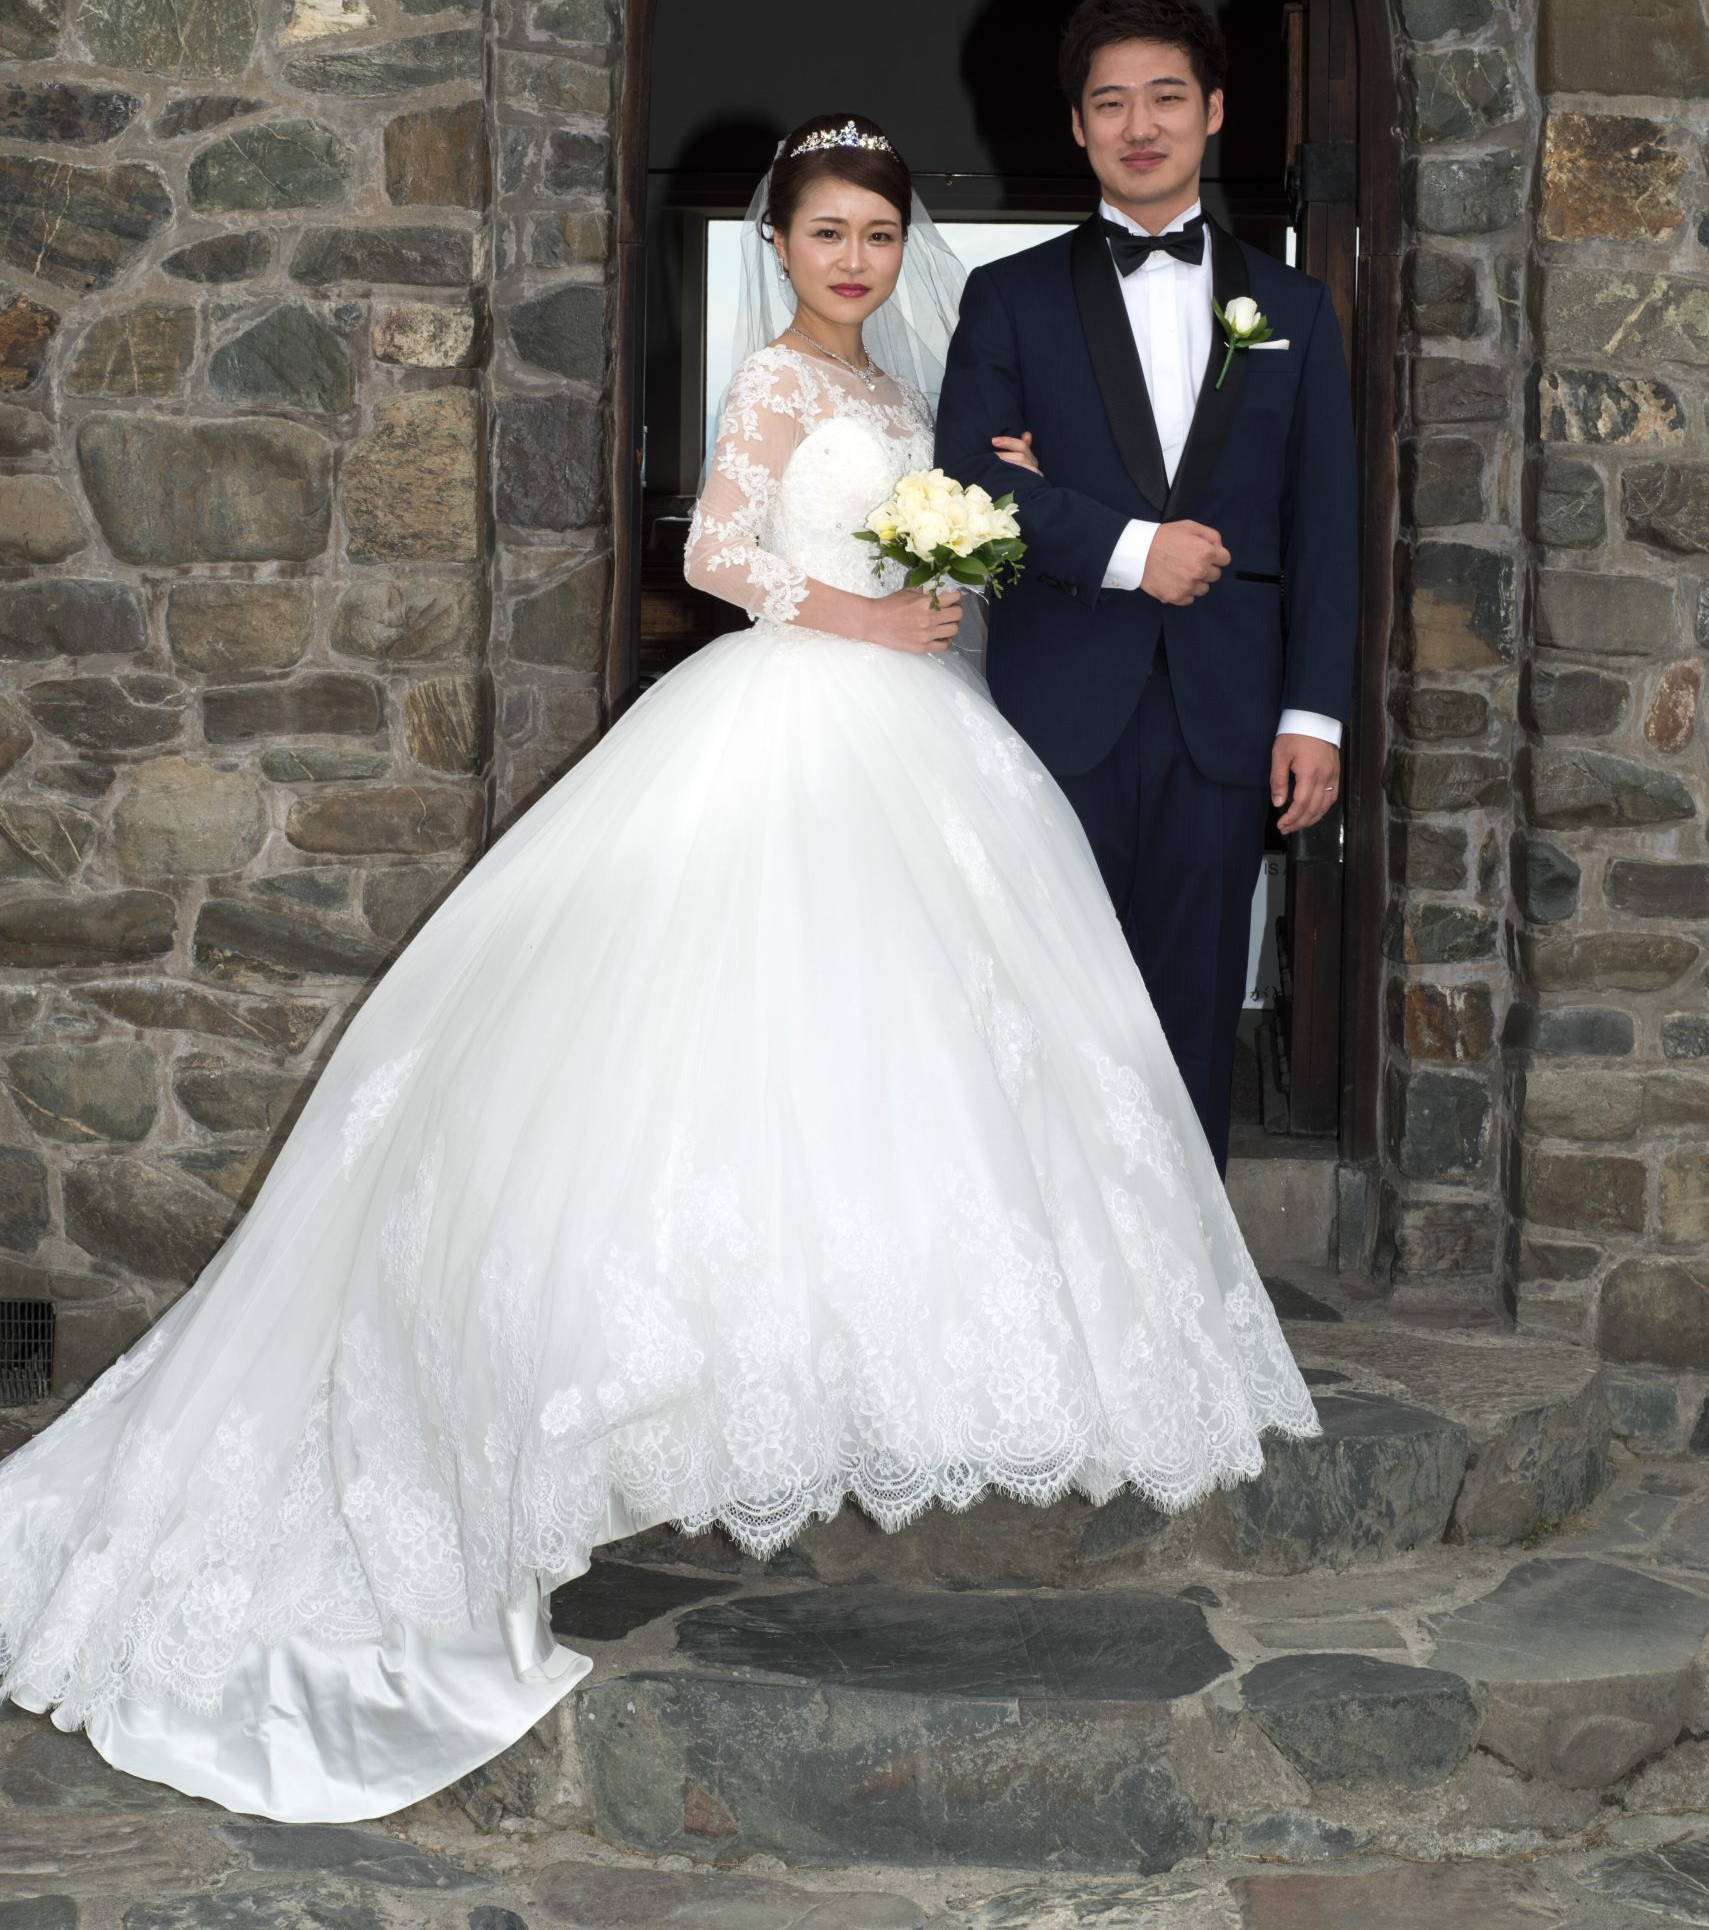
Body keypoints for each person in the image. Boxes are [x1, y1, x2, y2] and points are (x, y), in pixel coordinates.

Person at [0, 113, 1316, 1826]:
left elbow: (975, 508)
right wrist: (864, 613)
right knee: (726, 1030)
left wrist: (974, 530)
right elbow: (716, 551)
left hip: (923, 728)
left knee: (915, 1042)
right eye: (827, 234)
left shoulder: (905, 386)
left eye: (876, 236)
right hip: (795, 713)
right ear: (781, 245)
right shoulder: (773, 380)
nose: (853, 261)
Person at [936, 0, 1360, 1174]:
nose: (1139, 125)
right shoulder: (1007, 297)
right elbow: (967, 479)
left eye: (1165, 97)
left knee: (1192, 1015)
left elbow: (1324, 522)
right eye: (1110, 102)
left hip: (1227, 717)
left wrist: (1313, 715)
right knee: (1042, 1010)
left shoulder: (1293, 307)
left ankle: (1186, 1261)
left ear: (1212, 110)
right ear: (1076, 125)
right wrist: (1130, 551)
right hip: (1054, 706)